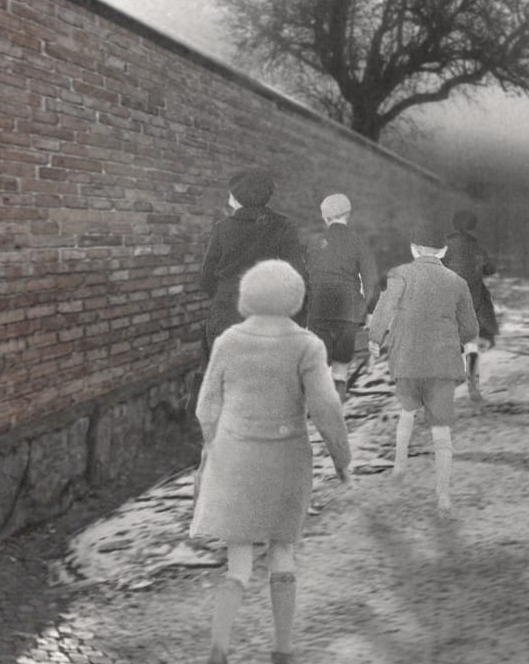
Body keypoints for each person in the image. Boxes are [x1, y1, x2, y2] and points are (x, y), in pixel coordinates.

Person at [191, 260, 351, 664]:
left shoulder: (228, 340)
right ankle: (282, 647)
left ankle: (218, 657)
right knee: (283, 552)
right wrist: (342, 459)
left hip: (235, 456)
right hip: (284, 457)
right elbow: (326, 410)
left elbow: (206, 407)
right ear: (296, 298)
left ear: (248, 295)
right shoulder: (307, 345)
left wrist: (212, 450)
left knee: (237, 564)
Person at [366, 226, 479, 513]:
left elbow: (384, 310)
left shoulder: (400, 274)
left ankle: (400, 464)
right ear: (443, 251)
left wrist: (374, 340)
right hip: (442, 363)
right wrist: (455, 340)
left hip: (407, 360)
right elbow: (470, 329)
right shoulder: (456, 281)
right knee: (441, 429)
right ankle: (443, 495)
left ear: (414, 248)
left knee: (406, 411)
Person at [198, 169, 306, 358]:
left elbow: (206, 279)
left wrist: (226, 294)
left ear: (237, 197)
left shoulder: (222, 229)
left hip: (226, 315)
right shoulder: (284, 226)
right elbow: (297, 277)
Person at [304, 193, 379, 400]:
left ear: (325, 217)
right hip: (349, 311)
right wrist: (371, 312)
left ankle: (324, 406)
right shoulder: (359, 243)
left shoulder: (313, 242)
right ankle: (338, 400)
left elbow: (306, 277)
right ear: (348, 214)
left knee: (322, 362)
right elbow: (370, 280)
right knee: (341, 366)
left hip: (319, 310)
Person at [443, 210, 499, 403]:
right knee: (472, 345)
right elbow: (490, 268)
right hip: (474, 300)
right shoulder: (476, 246)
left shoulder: (445, 245)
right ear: (472, 226)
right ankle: (473, 388)